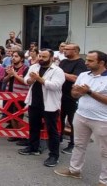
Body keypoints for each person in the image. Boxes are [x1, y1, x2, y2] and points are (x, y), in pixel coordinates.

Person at [54, 50, 107, 186]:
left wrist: (89, 92)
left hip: (102, 120)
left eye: (90, 61)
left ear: (101, 62)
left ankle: (104, 180)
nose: (86, 63)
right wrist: (76, 92)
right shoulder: (83, 75)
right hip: (81, 115)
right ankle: (74, 170)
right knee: (79, 145)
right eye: (86, 60)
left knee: (104, 151)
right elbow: (74, 92)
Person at [18, 49, 65, 167]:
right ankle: (33, 147)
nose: (41, 58)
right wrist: (31, 79)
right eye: (40, 56)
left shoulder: (58, 71)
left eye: (44, 57)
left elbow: (55, 86)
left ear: (51, 57)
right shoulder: (34, 67)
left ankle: (54, 155)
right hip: (34, 102)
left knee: (52, 130)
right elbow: (26, 81)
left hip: (49, 105)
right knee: (33, 126)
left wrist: (40, 79)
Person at [58, 43, 88, 155]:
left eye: (67, 49)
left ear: (75, 50)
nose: (64, 51)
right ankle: (59, 138)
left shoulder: (80, 63)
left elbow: (75, 78)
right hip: (60, 95)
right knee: (59, 118)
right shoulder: (63, 62)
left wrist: (60, 72)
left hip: (72, 97)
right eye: (63, 49)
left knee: (72, 121)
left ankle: (73, 144)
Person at [3, 51, 30, 144]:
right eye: (12, 56)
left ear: (22, 58)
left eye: (16, 56)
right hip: (9, 94)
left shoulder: (26, 69)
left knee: (17, 116)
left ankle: (21, 135)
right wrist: (9, 75)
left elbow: (26, 82)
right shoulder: (10, 68)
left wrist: (14, 74)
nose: (13, 58)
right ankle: (15, 134)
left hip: (20, 95)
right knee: (11, 115)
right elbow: (4, 80)